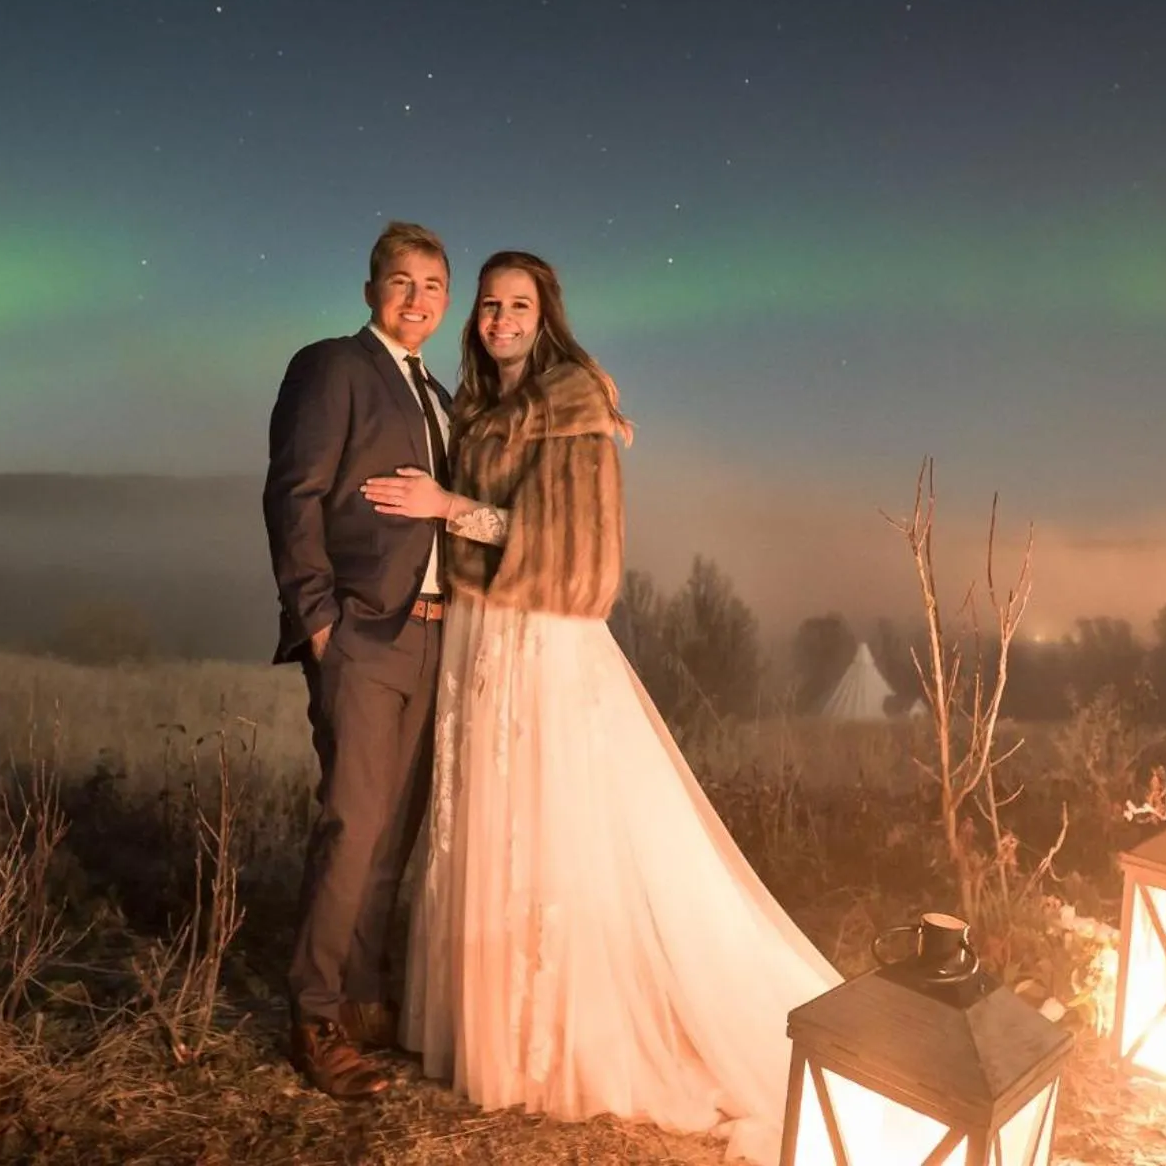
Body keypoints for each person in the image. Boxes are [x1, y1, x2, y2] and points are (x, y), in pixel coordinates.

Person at [360, 250, 843, 1164]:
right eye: (491, 306)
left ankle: (550, 1040)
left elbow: (563, 546)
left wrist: (444, 507)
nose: (501, 319)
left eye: (520, 306)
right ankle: (484, 1026)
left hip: (538, 638)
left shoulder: (572, 401)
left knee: (545, 824)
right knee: (486, 829)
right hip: (480, 632)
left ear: (547, 316)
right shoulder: (482, 407)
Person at [263, 220, 456, 1099]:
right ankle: (314, 1017)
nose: (417, 300)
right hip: (363, 632)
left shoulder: (441, 395)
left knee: (396, 829)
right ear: (371, 288)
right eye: (401, 283)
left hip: (435, 633)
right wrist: (318, 622)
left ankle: (366, 1000)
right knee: (352, 824)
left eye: (433, 287)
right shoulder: (332, 366)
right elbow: (294, 492)